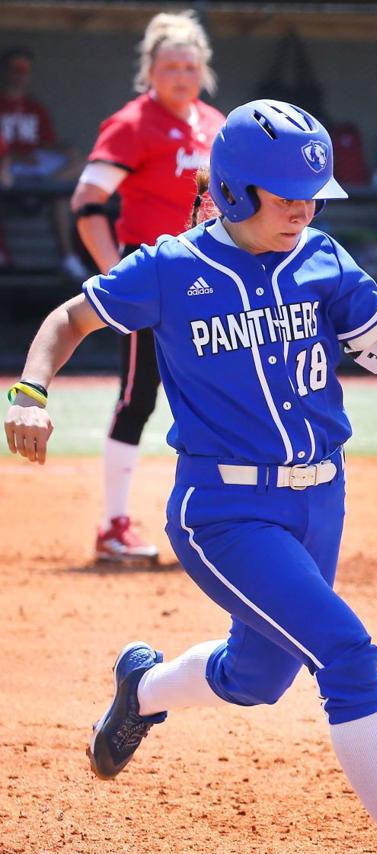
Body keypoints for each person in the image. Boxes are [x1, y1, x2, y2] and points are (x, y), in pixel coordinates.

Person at [5, 99, 377, 854]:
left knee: (260, 674)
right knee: (346, 654)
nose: (304, 212)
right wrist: (29, 391)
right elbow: (71, 318)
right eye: (286, 198)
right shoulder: (170, 267)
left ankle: (144, 689)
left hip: (321, 498)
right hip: (224, 512)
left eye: (313, 197)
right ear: (233, 193)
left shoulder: (320, 258)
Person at [71, 10, 225, 564]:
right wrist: (116, 273)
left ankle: (228, 516)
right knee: (139, 395)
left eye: (190, 65)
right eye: (170, 66)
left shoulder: (215, 122)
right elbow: (88, 204)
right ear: (150, 70)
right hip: (153, 272)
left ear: (203, 70)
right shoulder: (134, 124)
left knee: (222, 391)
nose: (182, 75)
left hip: (214, 275)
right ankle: (114, 526)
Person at [0, 46, 87, 279]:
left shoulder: (34, 107)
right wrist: (15, 157)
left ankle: (68, 257)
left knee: (77, 168)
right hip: (6, 168)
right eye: (14, 69)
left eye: (24, 70)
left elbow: (46, 143)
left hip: (35, 168)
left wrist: (65, 149)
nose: (19, 75)